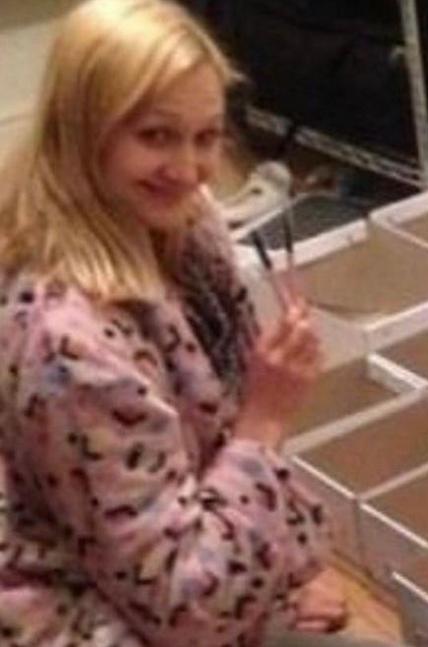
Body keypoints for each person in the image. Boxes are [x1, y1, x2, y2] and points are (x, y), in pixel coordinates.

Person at [0, 1, 370, 645]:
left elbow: (193, 449)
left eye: (205, 137)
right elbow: (180, 609)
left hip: (168, 568)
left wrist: (280, 569)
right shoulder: (68, 343)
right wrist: (266, 417)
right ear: (84, 128)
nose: (190, 170)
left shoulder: (174, 227)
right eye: (155, 136)